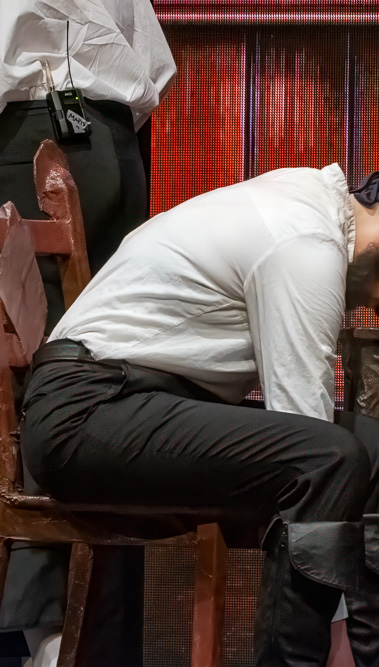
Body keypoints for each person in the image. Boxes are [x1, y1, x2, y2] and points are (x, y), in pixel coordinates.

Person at [17, 156, 379, 667]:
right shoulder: (304, 247)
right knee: (328, 460)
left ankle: (361, 659)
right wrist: (332, 632)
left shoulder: (324, 215)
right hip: (86, 412)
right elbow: (309, 438)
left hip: (154, 403)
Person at [0, 2, 175, 664]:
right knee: (107, 386)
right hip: (112, 134)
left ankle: (51, 641)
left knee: (45, 391)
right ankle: (91, 642)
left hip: (30, 133)